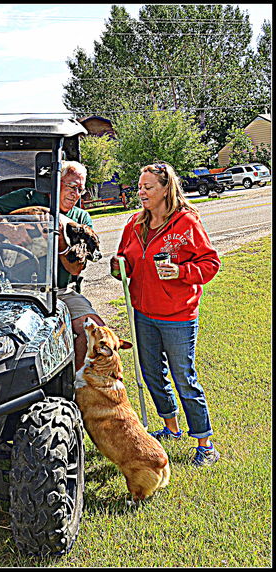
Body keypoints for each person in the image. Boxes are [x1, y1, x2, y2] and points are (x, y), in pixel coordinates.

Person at [110, 162, 221, 467]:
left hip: (177, 315)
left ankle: (205, 443)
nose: (141, 192)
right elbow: (126, 260)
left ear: (165, 189)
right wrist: (119, 267)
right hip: (143, 312)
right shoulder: (134, 224)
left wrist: (182, 271)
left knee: (184, 378)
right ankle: (171, 428)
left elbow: (210, 264)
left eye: (148, 187)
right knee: (152, 375)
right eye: (140, 187)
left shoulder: (186, 223)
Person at [0, 160, 105, 371]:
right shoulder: (27, 198)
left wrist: (60, 239)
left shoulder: (81, 219)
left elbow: (76, 269)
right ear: (55, 182)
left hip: (60, 293)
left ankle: (76, 382)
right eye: (72, 186)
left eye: (81, 189)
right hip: (13, 292)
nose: (76, 194)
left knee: (96, 332)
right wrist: (10, 231)